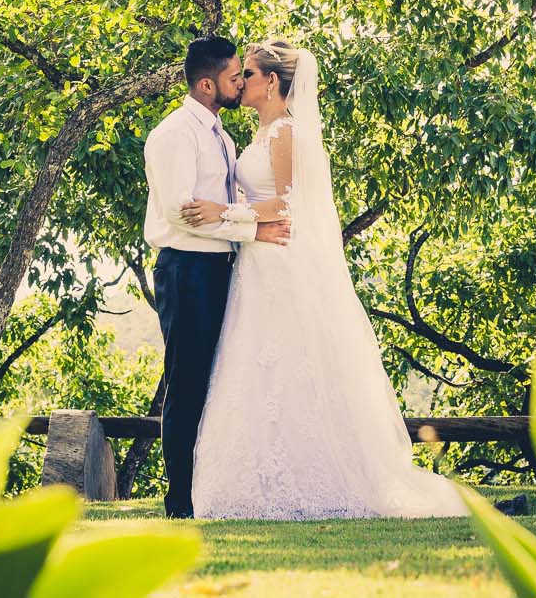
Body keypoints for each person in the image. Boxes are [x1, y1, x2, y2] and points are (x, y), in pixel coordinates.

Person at [183, 38, 466, 520]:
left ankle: (314, 479)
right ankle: (259, 482)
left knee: (292, 367)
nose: (240, 81)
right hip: (258, 265)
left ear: (271, 82)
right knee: (261, 371)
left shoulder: (285, 134)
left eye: (247, 73)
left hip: (281, 266)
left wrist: (222, 212)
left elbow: (288, 204)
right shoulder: (258, 134)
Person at [143, 35, 291, 518]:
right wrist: (254, 229)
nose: (239, 84)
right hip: (186, 270)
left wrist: (247, 231)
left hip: (221, 269)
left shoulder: (224, 138)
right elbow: (182, 213)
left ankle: (209, 489)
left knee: (217, 382)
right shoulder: (173, 135)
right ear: (207, 85)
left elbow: (223, 206)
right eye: (233, 77)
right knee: (186, 384)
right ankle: (179, 499)